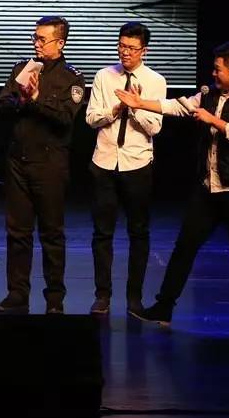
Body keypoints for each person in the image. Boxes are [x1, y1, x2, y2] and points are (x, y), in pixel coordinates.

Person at [116, 42, 229, 333]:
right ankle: (164, 307)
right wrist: (139, 103)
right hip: (208, 188)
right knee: (184, 247)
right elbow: (176, 106)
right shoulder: (209, 94)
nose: (213, 73)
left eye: (218, 69)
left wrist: (213, 120)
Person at [0, 16, 85, 314]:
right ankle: (17, 294)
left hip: (50, 165)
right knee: (17, 233)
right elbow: (2, 105)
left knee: (51, 234)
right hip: (18, 163)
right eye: (35, 37)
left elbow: (65, 118)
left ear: (60, 43)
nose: (36, 44)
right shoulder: (23, 68)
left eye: (42, 39)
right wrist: (22, 100)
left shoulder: (72, 78)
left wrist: (35, 99)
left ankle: (54, 298)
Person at [85, 22, 166, 316]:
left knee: (138, 232)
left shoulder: (156, 81)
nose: (125, 52)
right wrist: (114, 110)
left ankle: (134, 298)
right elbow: (91, 119)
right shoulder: (104, 76)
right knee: (102, 233)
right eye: (121, 46)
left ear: (144, 50)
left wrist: (135, 107)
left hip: (137, 164)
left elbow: (155, 127)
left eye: (131, 48)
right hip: (104, 162)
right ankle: (102, 295)